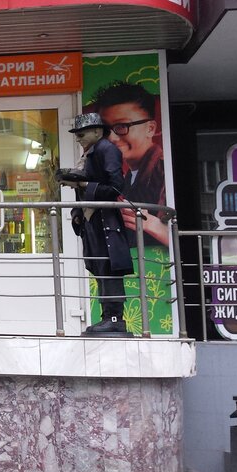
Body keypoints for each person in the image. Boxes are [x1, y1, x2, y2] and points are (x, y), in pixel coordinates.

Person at [59, 113, 133, 336]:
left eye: (81, 134)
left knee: (108, 267)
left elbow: (115, 187)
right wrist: (78, 211)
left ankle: (114, 318)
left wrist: (82, 183)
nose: (78, 138)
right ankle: (108, 317)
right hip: (93, 218)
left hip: (104, 219)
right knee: (100, 266)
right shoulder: (92, 152)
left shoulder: (106, 149)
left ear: (97, 131)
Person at [94, 81, 168, 246]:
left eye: (122, 126)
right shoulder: (128, 176)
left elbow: (181, 235)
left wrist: (151, 224)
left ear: (150, 128)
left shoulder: (164, 171)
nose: (112, 138)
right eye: (105, 129)